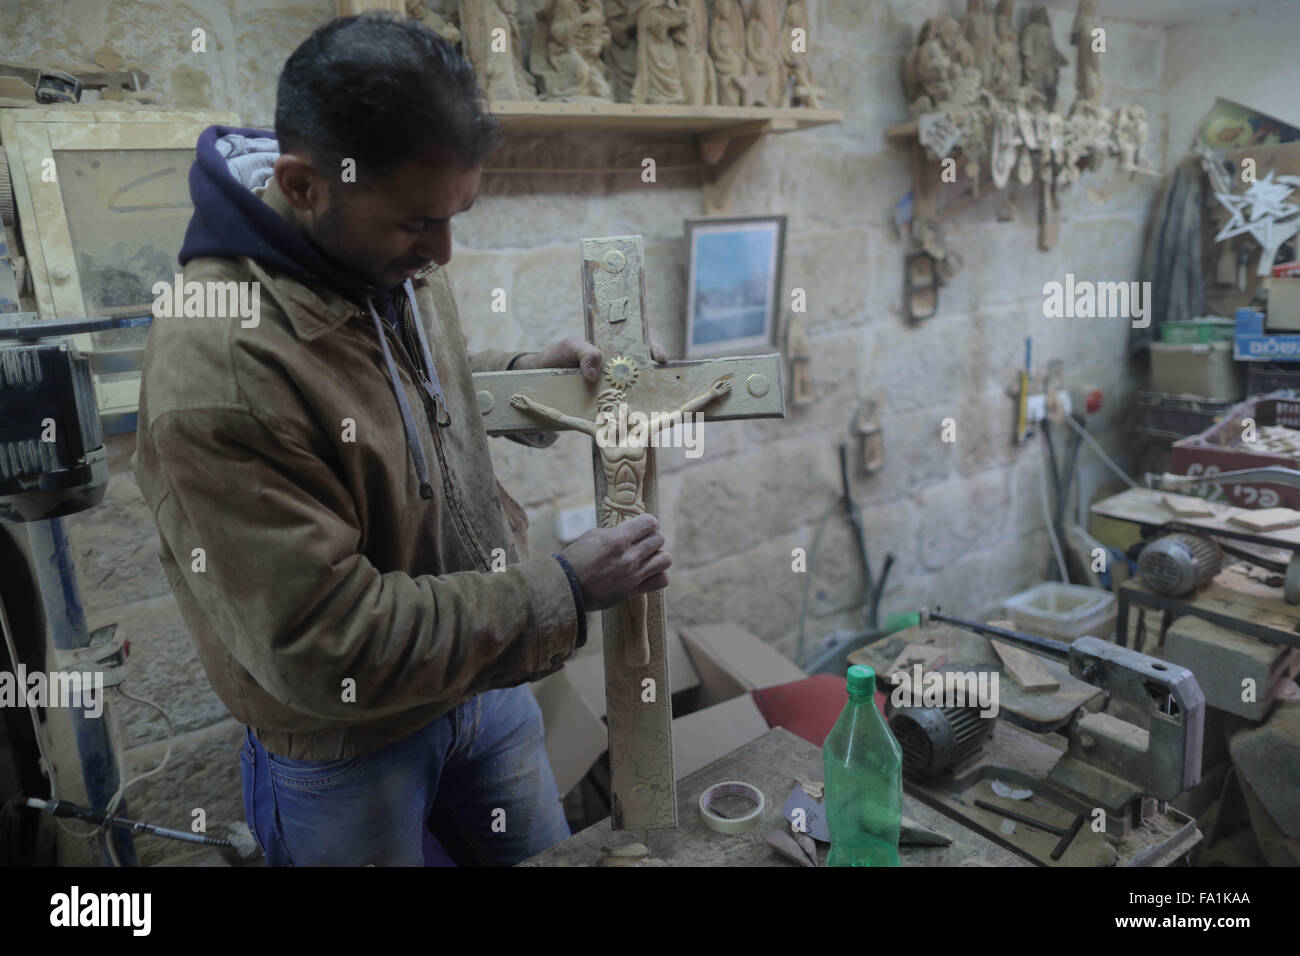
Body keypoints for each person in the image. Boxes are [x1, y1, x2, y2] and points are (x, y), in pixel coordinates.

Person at [131, 12, 671, 866]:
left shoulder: (374, 249)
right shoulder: (218, 370)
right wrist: (564, 590)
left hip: (482, 693)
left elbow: (396, 391)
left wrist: (530, 374)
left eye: (458, 214)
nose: (444, 253)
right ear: (304, 185)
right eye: (420, 224)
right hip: (349, 745)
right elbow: (325, 642)